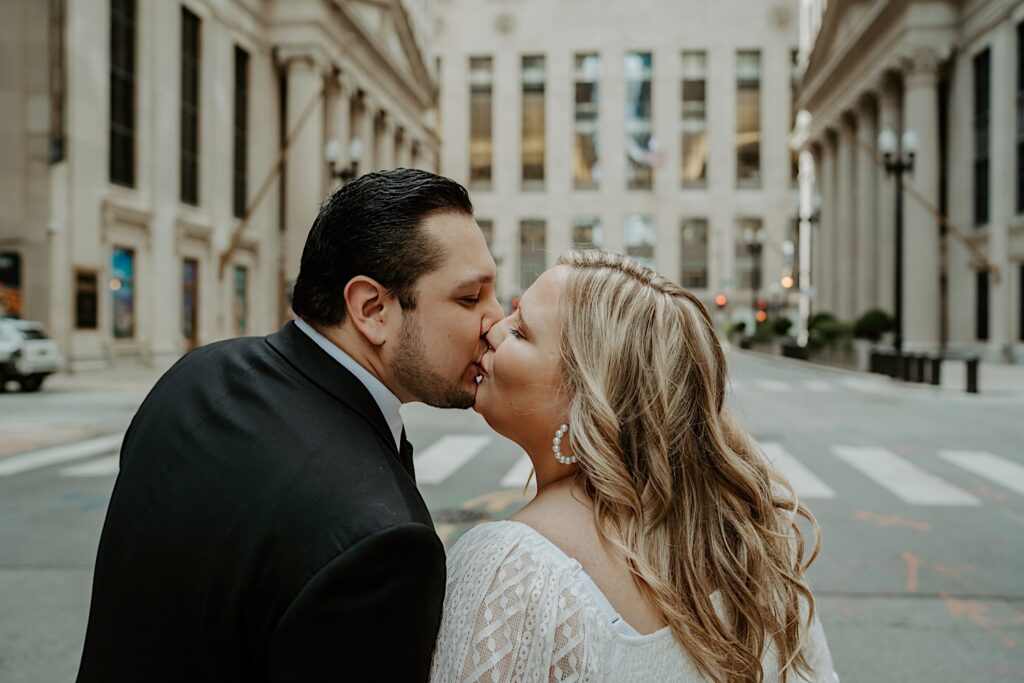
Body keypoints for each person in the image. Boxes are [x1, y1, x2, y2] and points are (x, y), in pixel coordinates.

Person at [77, 169, 503, 682]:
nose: (496, 320)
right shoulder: (384, 543)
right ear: (372, 310)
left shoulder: (195, 375)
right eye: (469, 297)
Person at [431, 250, 837, 682]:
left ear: (588, 396)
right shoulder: (755, 546)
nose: (494, 330)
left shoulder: (511, 569)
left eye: (522, 331)